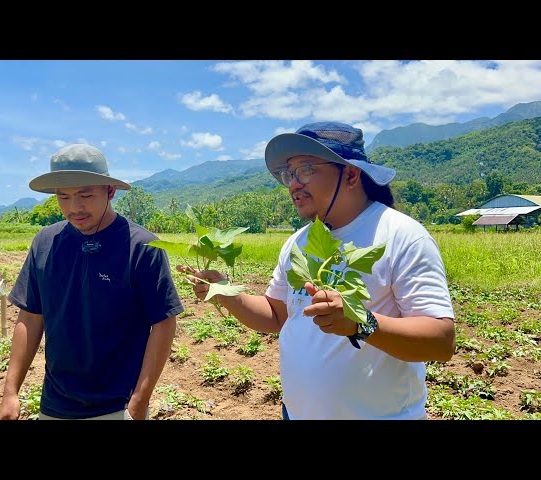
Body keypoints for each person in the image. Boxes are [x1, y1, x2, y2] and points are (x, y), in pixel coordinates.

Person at [179, 121, 455, 420]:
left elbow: (441, 341)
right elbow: (276, 316)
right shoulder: (299, 242)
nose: (293, 183)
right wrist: (226, 293)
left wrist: (361, 322)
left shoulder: (401, 235)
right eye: (289, 174)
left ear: (350, 174)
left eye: (306, 169)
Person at [0, 143, 184, 420]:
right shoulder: (46, 243)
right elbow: (31, 317)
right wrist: (10, 392)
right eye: (64, 197)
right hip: (55, 403)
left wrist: (139, 401)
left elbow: (163, 322)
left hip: (117, 406)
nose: (75, 207)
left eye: (85, 194)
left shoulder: (141, 246)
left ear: (110, 191)